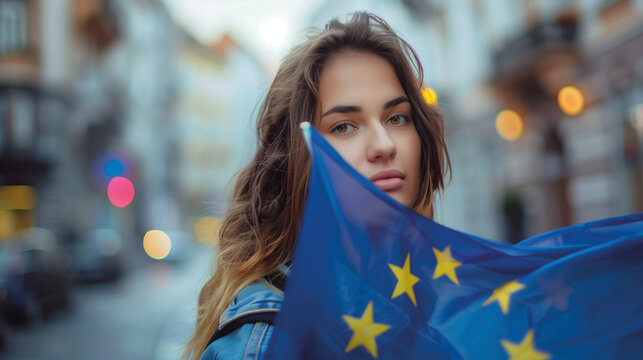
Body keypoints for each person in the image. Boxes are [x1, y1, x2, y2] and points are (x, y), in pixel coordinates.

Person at [183, 12, 451, 360]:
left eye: (397, 117)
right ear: (296, 161)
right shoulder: (271, 343)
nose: (384, 144)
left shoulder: (425, 304)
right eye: (344, 126)